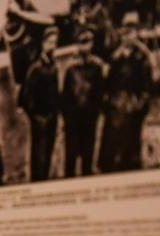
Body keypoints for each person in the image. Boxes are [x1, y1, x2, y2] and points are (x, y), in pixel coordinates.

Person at [98, 12, 153, 172]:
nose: (127, 36)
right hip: (115, 106)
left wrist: (139, 106)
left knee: (130, 147)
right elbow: (107, 83)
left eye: (131, 32)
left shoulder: (142, 56)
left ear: (136, 33)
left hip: (132, 106)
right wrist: (108, 101)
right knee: (111, 145)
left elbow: (146, 88)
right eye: (125, 32)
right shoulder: (116, 56)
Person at [61, 28, 107, 177]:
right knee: (71, 155)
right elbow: (65, 95)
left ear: (92, 44)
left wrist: (97, 111)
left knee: (88, 154)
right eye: (82, 43)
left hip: (90, 117)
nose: (85, 47)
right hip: (73, 118)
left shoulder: (97, 66)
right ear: (77, 45)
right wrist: (67, 117)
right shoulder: (70, 67)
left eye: (88, 43)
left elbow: (100, 92)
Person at [18, 26, 60, 181]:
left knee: (48, 156)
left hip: (52, 120)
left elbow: (55, 94)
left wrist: (55, 115)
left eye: (54, 43)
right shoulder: (35, 69)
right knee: (39, 159)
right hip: (40, 121)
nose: (52, 46)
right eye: (49, 42)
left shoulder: (54, 67)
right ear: (43, 43)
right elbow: (26, 99)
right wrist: (37, 119)